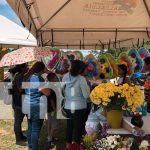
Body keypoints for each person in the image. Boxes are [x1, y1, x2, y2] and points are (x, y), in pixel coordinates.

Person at [62, 60, 90, 150]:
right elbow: (86, 95)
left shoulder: (65, 76)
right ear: (80, 69)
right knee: (79, 127)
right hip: (79, 107)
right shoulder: (81, 79)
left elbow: (62, 91)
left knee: (70, 126)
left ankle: (68, 145)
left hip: (68, 106)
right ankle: (78, 146)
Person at [23, 62, 51, 150]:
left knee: (30, 127)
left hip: (27, 104)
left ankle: (30, 146)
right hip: (36, 106)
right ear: (42, 69)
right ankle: (34, 148)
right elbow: (47, 93)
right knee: (35, 129)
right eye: (45, 68)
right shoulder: (38, 79)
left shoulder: (28, 77)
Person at [12, 63, 28, 145]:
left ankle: (21, 136)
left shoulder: (20, 75)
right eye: (26, 66)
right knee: (18, 121)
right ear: (22, 68)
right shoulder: (18, 76)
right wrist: (26, 80)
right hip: (18, 102)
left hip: (20, 102)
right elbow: (20, 89)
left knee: (20, 120)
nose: (28, 68)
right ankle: (18, 140)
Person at [46, 73, 60, 149]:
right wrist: (55, 109)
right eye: (56, 77)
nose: (57, 78)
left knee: (50, 124)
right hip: (52, 109)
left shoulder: (51, 85)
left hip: (49, 109)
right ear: (52, 79)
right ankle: (49, 139)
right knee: (54, 125)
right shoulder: (52, 87)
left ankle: (51, 137)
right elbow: (51, 100)